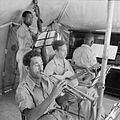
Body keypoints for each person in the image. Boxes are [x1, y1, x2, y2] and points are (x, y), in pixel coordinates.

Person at [15, 50, 73, 120]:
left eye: (42, 64)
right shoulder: (23, 89)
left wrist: (67, 95)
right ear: (27, 68)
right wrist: (52, 95)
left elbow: (59, 102)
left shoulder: (47, 80)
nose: (41, 68)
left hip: (57, 114)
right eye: (36, 65)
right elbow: (30, 117)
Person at [16, 10, 41, 82]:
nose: (31, 20)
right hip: (23, 54)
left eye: (32, 18)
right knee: (23, 77)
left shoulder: (28, 30)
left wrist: (38, 19)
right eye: (29, 17)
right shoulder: (21, 29)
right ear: (23, 19)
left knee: (28, 76)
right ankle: (21, 92)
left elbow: (36, 36)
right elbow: (27, 43)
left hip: (28, 54)